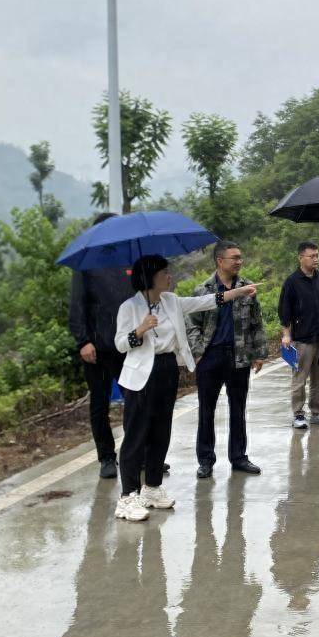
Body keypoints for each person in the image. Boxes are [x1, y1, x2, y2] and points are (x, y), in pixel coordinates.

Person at [112, 254, 233, 522]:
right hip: (141, 375)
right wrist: (140, 330)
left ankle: (152, 488)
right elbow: (121, 344)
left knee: (161, 430)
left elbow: (203, 302)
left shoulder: (170, 301)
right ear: (150, 277)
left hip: (167, 369)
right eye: (164, 273)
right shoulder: (129, 308)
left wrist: (236, 292)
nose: (170, 277)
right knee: (136, 435)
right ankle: (127, 497)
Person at [185, 241, 266, 478]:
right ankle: (206, 460)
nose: (239, 261)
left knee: (238, 409)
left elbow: (256, 322)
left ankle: (239, 457)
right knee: (206, 411)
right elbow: (192, 325)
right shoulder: (203, 290)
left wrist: (259, 353)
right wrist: (199, 352)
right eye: (234, 258)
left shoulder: (247, 288)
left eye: (240, 257)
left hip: (238, 357)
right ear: (220, 261)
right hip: (210, 357)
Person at [67, 212, 128, 479]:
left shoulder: (129, 258)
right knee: (100, 404)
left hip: (128, 344)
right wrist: (84, 341)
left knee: (137, 401)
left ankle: (137, 455)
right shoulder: (86, 264)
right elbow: (77, 305)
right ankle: (106, 457)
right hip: (98, 348)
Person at [277, 241, 319, 430]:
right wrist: (286, 335)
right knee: (299, 378)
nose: (316, 259)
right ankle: (298, 415)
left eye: (317, 255)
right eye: (312, 256)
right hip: (302, 338)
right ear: (301, 257)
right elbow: (284, 311)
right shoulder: (292, 282)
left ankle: (317, 412)